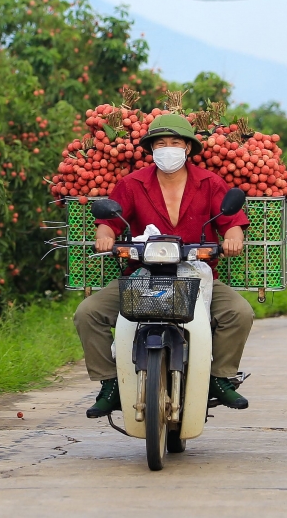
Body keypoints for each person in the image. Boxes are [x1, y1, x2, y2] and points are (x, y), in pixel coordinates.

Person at [73, 113, 255, 418]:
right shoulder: (132, 184)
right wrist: (104, 237)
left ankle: (219, 378)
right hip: (143, 275)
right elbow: (107, 224)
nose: (167, 149)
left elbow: (232, 222)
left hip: (196, 275)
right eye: (160, 143)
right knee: (87, 313)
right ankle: (110, 384)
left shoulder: (210, 183)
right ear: (151, 149)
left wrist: (233, 238)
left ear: (187, 148)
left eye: (174, 143)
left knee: (239, 312)